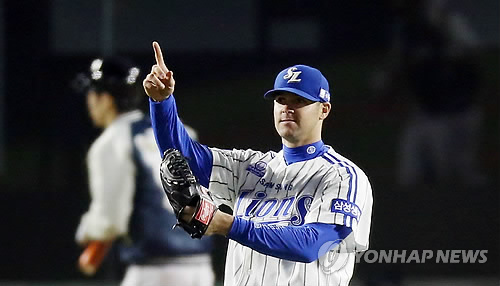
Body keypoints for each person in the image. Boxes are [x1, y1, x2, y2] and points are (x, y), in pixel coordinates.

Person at [143, 41, 373, 286]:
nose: (287, 108)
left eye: (299, 101)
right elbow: (183, 157)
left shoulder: (343, 176)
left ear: (324, 110)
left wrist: (227, 224)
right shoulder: (249, 167)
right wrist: (162, 102)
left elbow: (312, 244)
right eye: (281, 99)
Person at [75, 56, 215, 286]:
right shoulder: (181, 131)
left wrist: (87, 231)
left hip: (154, 269)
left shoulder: (113, 141)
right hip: (200, 265)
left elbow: (110, 220)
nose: (89, 101)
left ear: (106, 99)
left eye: (92, 93)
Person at [372, 0, 487, 189]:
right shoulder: (409, 35)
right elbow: (396, 68)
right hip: (427, 112)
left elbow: (472, 59)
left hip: (455, 108)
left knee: (456, 171)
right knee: (412, 176)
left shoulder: (451, 28)